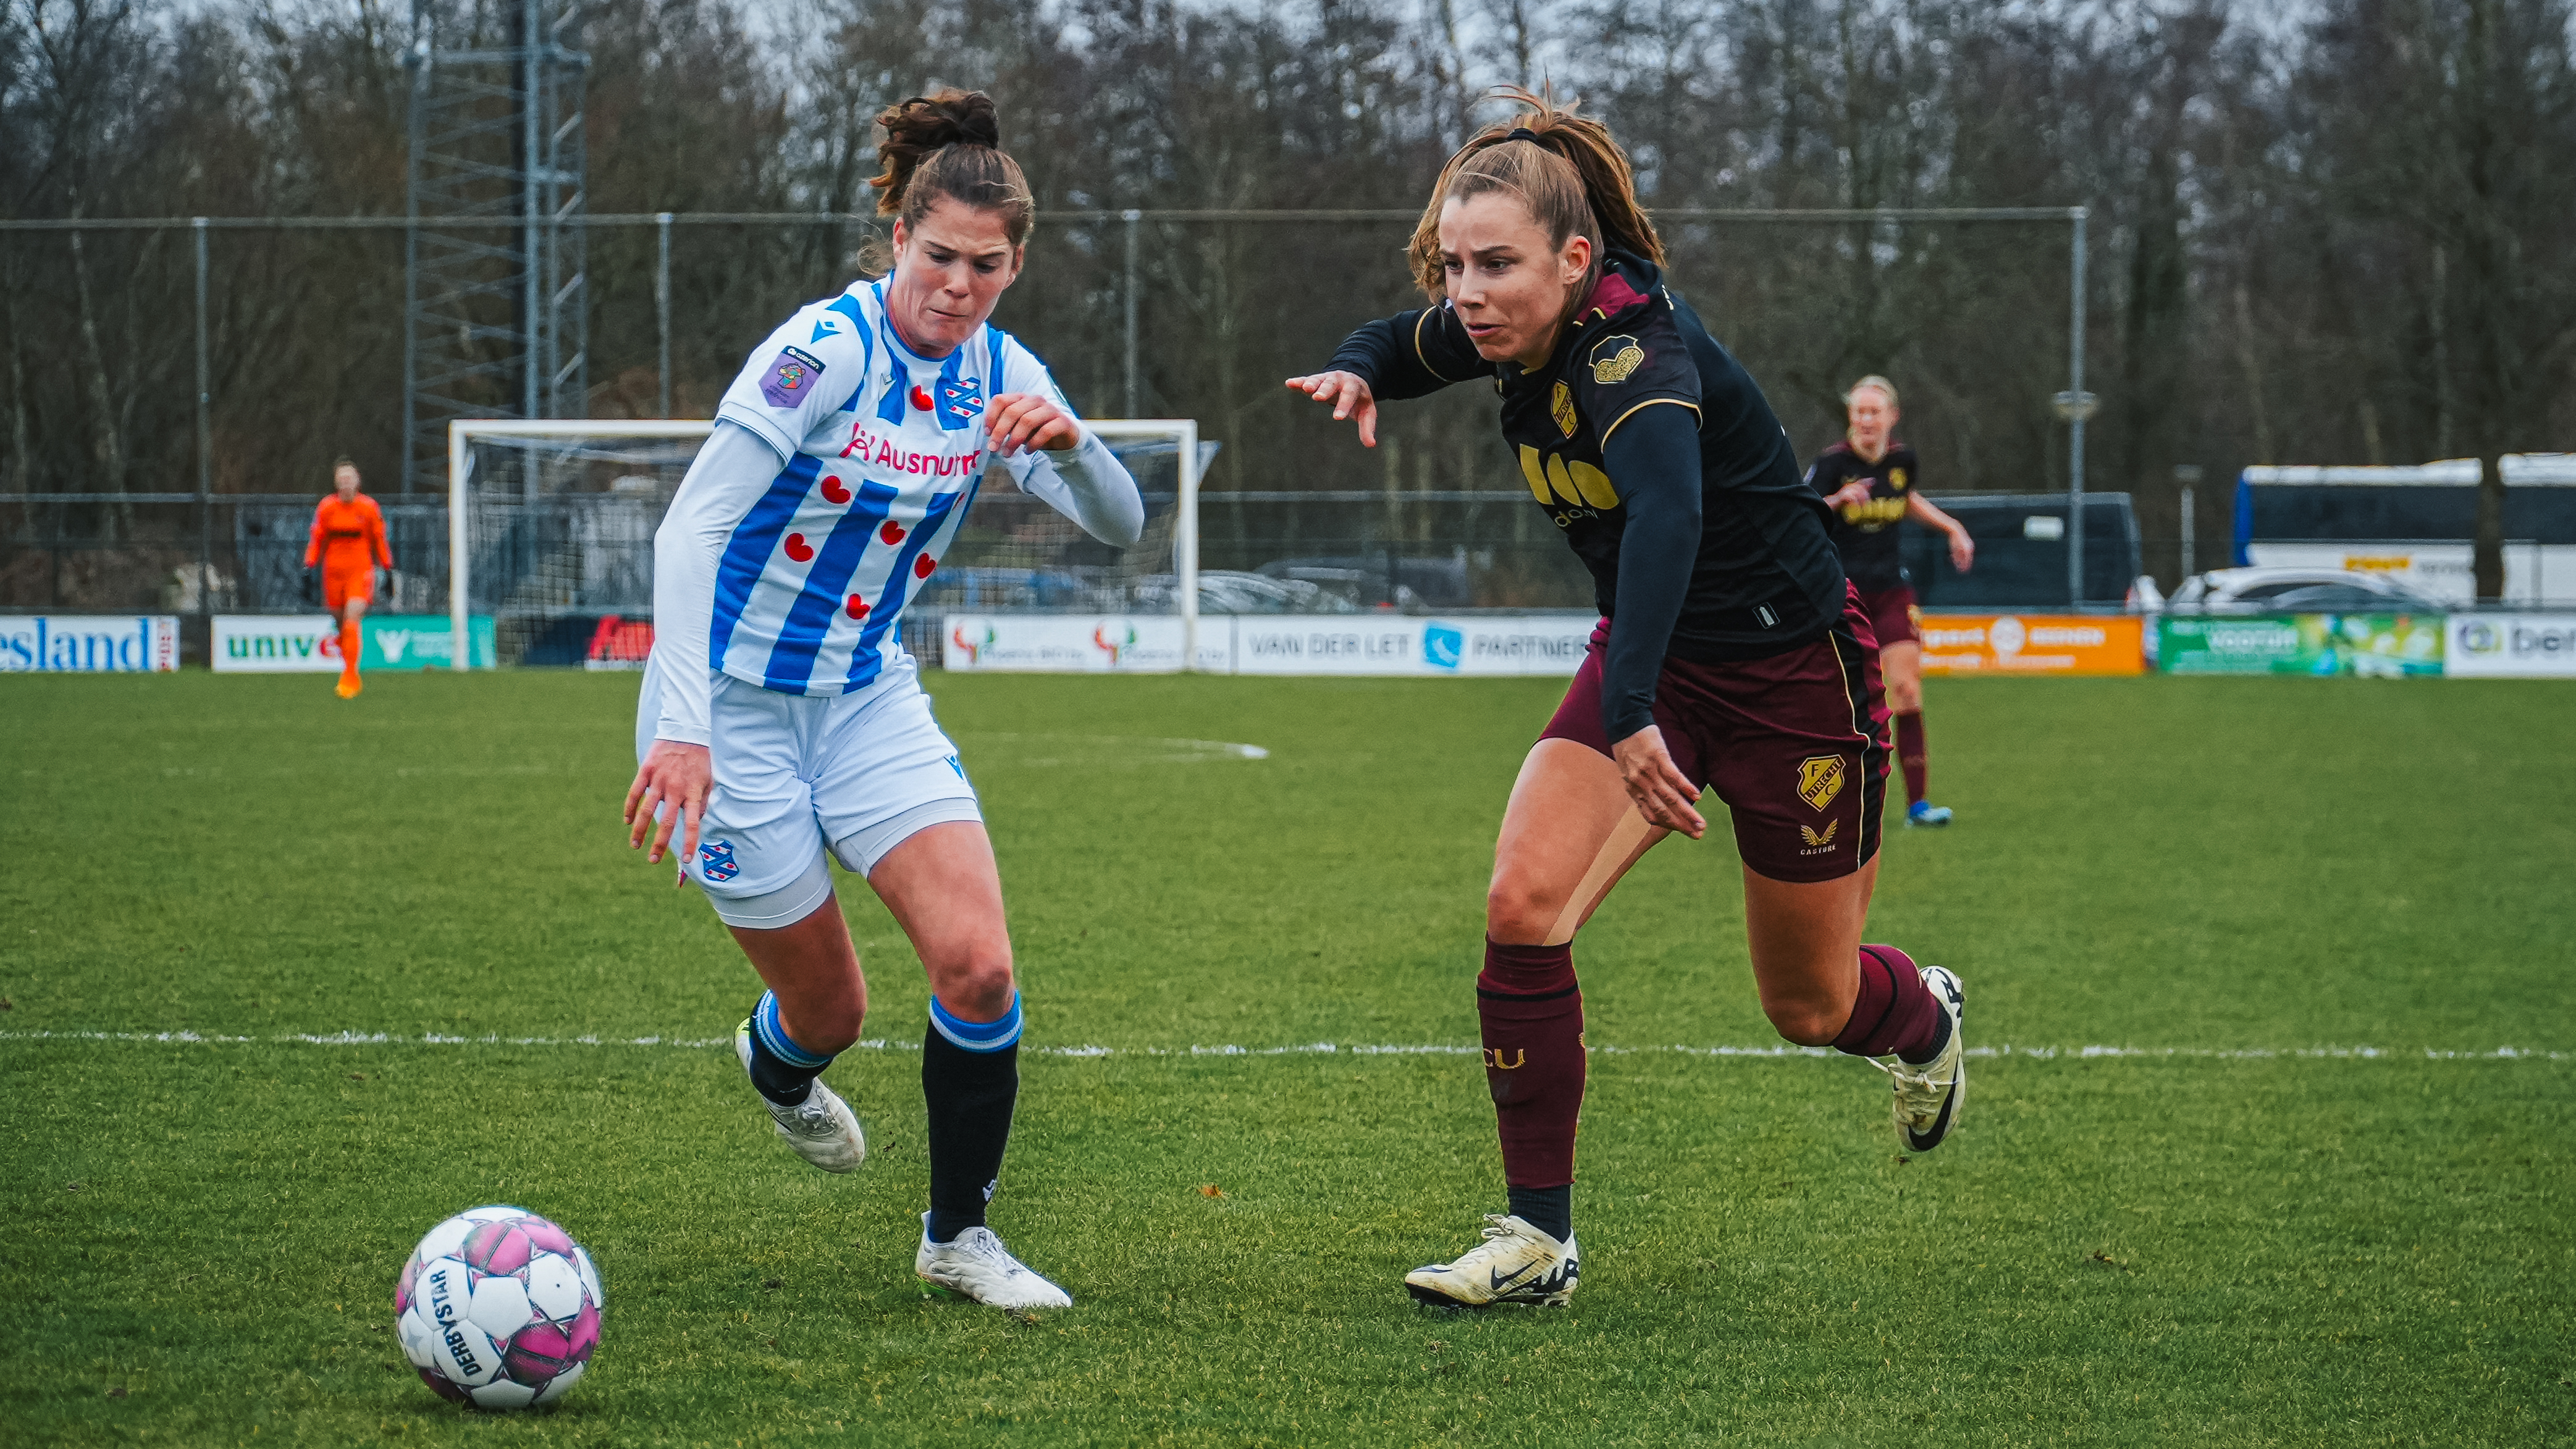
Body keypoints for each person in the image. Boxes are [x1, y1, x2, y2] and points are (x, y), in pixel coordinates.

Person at [1286, 91, 1966, 1311]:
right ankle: (1538, 1242)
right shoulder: (1502, 326)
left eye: (1496, 264)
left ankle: (1921, 1021)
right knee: (1522, 905)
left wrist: (1637, 704)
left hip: (1795, 677)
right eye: (1455, 264)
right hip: (1653, 664)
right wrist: (1355, 369)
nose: (1469, 290)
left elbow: (1670, 515)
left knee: (1811, 1007)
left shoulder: (1630, 354)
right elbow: (1402, 338)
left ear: (1576, 260)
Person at [621, 90, 1142, 1311]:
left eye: (988, 266)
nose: (959, 286)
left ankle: (958, 1239)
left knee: (978, 971)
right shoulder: (828, 349)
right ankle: (775, 1062)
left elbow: (1120, 526)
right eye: (940, 257)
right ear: (901, 240)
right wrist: (684, 727)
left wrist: (1072, 447)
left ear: (1015, 266)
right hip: (733, 711)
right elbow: (691, 527)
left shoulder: (1003, 371)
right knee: (831, 1008)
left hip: (864, 698)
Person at [1806, 377, 1974, 827]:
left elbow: (1906, 498)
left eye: (1873, 412)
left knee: (1906, 691)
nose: (1865, 420)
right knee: (1843, 704)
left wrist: (1952, 528)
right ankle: (1835, 800)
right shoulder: (1832, 465)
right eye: (1858, 413)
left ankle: (1918, 806)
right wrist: (1839, 499)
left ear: (1891, 417)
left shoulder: (1903, 461)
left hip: (1891, 592)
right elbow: (1800, 512)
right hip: (1840, 596)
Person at [304, 458, 391, 699]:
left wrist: (388, 567)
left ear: (357, 481)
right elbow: (317, 538)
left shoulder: (368, 507)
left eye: (349, 478)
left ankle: (350, 677)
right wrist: (309, 565)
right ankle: (348, 668)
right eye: (341, 479)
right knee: (342, 625)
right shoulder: (327, 508)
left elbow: (379, 539)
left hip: (360, 570)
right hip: (333, 573)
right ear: (336, 483)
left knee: (353, 619)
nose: (346, 483)